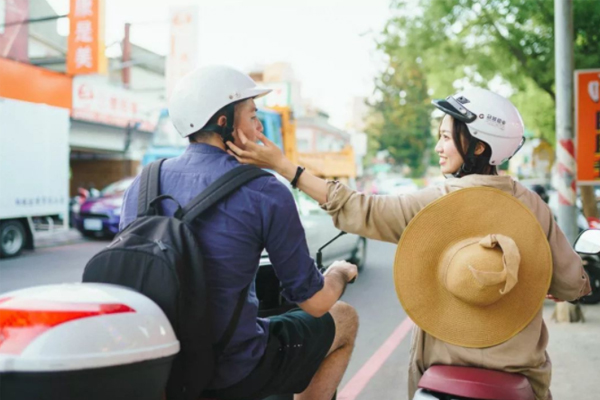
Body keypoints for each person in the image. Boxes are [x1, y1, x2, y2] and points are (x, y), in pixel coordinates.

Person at [226, 86, 592, 400]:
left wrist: (286, 167)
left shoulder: (435, 204)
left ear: (479, 146)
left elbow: (357, 207)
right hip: (522, 375)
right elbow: (571, 283)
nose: (438, 147)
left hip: (440, 377)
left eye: (447, 137)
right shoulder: (534, 208)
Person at [119, 65, 359, 400]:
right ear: (223, 122)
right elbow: (315, 303)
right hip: (233, 370)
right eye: (252, 115)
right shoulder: (265, 191)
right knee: (344, 319)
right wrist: (338, 273)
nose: (259, 126)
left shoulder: (143, 184)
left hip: (160, 367)